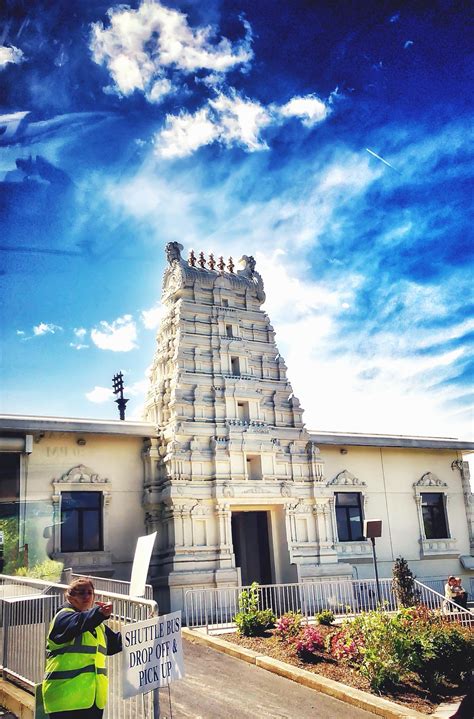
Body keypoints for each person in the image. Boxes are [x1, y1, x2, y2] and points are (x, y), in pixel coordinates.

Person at [42, 577, 122, 718]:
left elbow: (116, 643)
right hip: (65, 700)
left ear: (94, 597)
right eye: (81, 593)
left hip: (92, 700)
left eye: (89, 593)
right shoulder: (63, 617)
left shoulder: (98, 626)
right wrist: (99, 613)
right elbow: (78, 623)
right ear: (71, 597)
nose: (86, 596)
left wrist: (145, 631)